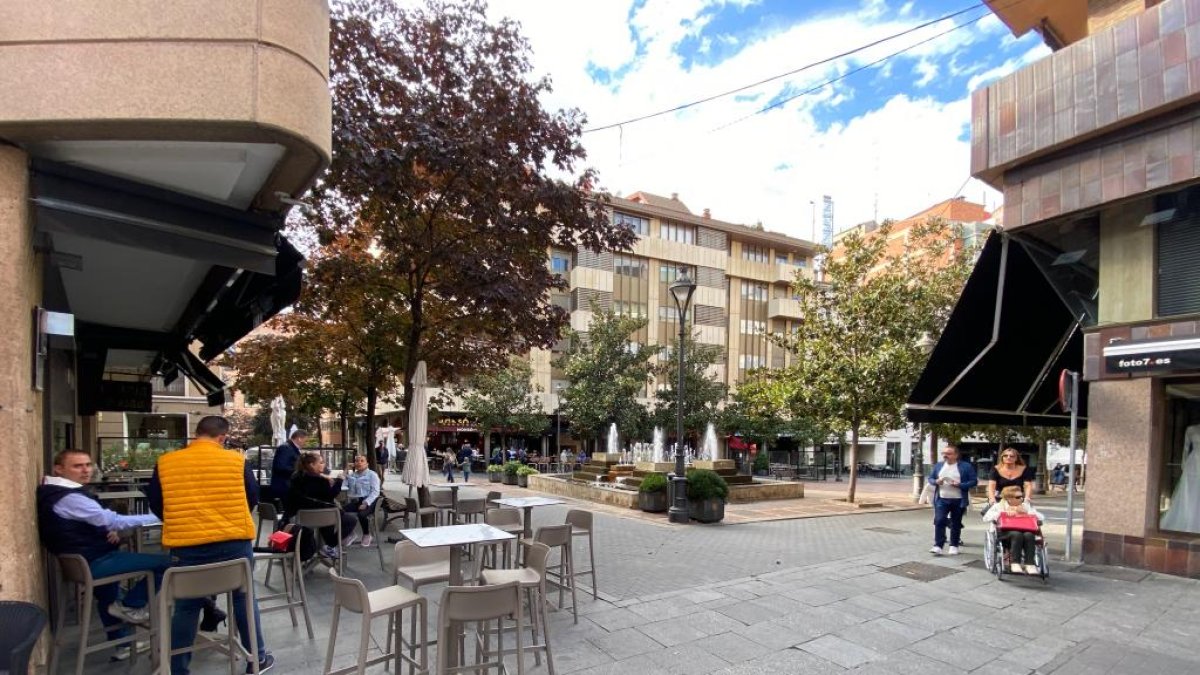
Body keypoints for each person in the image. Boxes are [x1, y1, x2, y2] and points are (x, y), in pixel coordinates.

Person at [145, 416, 273, 674]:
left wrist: (183, 522)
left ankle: (178, 668)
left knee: (186, 604)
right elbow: (252, 497)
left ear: (197, 433)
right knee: (244, 598)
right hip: (233, 542)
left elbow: (157, 503)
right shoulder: (237, 461)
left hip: (187, 545)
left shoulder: (166, 462)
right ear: (222, 438)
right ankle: (256, 658)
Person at [37, 449, 176, 661]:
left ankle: (121, 643)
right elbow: (114, 521)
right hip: (95, 560)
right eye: (77, 466)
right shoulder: (70, 497)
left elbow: (86, 523)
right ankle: (131, 606)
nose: (85, 470)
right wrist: (161, 518)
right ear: (59, 468)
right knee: (169, 563)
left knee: (108, 593)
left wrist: (104, 530)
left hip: (79, 560)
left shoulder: (53, 491)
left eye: (87, 464)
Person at [283, 452, 358, 558]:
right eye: (321, 462)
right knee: (350, 520)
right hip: (321, 516)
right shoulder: (321, 481)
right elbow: (331, 495)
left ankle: (328, 547)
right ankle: (330, 546)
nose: (324, 464)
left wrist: (322, 475)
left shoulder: (296, 477)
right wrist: (340, 480)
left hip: (299, 518)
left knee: (327, 516)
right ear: (312, 465)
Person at [927, 444, 978, 556]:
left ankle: (954, 545)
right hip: (941, 498)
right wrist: (936, 481)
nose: (945, 456)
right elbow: (930, 478)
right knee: (939, 520)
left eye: (948, 454)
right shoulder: (939, 466)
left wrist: (960, 485)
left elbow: (974, 481)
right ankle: (938, 546)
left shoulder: (966, 466)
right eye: (944, 453)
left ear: (956, 455)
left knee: (956, 523)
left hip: (959, 499)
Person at [983, 486, 1044, 574]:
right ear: (1009, 498)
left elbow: (1041, 517)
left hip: (1025, 530)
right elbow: (986, 518)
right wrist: (1001, 514)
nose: (1021, 498)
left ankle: (1030, 564)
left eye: (1021, 496)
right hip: (1004, 533)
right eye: (1018, 497)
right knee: (1017, 534)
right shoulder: (999, 506)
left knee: (1029, 535)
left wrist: (1027, 512)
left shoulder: (1025, 506)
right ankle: (1015, 563)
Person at [342, 455, 381, 547]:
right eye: (356, 461)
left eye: (362, 461)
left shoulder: (372, 475)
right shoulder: (352, 475)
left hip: (371, 500)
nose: (359, 462)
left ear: (367, 464)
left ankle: (367, 534)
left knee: (361, 514)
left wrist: (366, 503)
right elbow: (342, 485)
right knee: (340, 511)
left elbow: (376, 492)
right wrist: (346, 469)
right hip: (357, 501)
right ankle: (350, 534)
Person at [270, 428, 308, 503]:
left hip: (287, 487)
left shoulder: (290, 448)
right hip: (284, 488)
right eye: (305, 440)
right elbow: (281, 467)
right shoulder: (285, 448)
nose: (305, 443)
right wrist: (300, 472)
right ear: (299, 438)